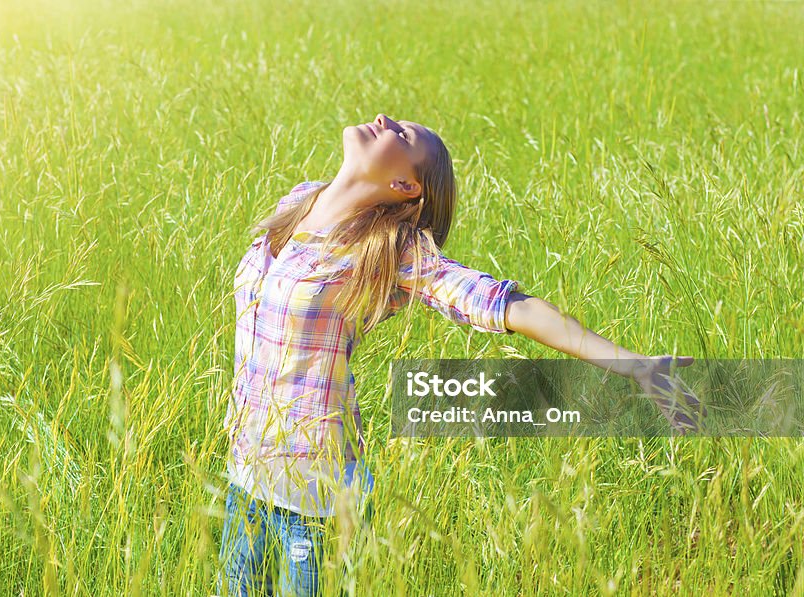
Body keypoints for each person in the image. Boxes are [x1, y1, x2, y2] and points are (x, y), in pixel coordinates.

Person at [216, 114, 704, 597]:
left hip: (313, 495)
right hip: (244, 472)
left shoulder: (391, 249)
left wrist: (629, 362)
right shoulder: (299, 202)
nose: (384, 118)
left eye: (404, 135)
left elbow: (504, 304)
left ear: (406, 184)